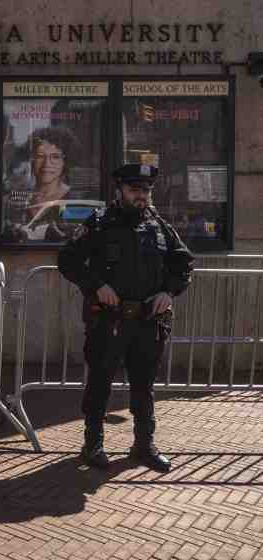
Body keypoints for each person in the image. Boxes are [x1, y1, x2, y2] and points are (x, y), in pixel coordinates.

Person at [58, 163, 194, 472]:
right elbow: (68, 260)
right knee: (100, 383)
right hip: (109, 321)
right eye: (134, 189)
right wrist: (96, 285)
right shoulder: (100, 224)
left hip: (148, 322)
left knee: (144, 386)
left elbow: (184, 263)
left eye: (145, 190)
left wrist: (169, 291)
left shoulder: (159, 226)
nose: (141, 195)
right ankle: (92, 445)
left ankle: (144, 445)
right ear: (120, 190)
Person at [4, 126, 78, 243]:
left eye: (55, 157)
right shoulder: (14, 199)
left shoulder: (75, 201)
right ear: (31, 160)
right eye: (40, 156)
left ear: (65, 161)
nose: (47, 163)